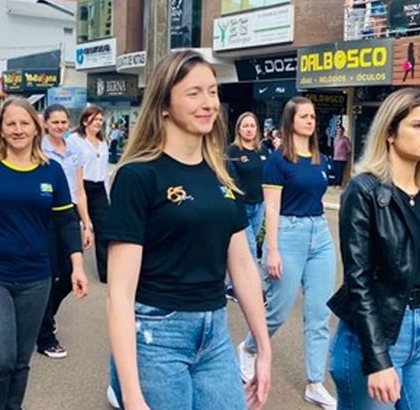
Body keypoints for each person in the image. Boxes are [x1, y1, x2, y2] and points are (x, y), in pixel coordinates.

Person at [103, 51, 270, 410]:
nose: (208, 103)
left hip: (214, 333)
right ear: (164, 105)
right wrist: (132, 395)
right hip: (157, 333)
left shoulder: (221, 173)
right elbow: (119, 293)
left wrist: (263, 348)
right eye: (194, 93)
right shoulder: (138, 176)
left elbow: (242, 266)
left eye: (212, 91)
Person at [0, 98, 88, 408]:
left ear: (36, 128)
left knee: (21, 361)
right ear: (0, 129)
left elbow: (66, 222)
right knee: (0, 359)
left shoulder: (51, 171)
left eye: (24, 123)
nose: (18, 129)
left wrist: (77, 266)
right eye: (10, 123)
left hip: (35, 276)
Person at [328, 88, 420, 410]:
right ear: (390, 133)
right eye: (419, 125)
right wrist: (377, 359)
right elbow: (358, 280)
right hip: (375, 332)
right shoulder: (364, 191)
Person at [239, 96, 338, 410]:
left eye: (313, 116)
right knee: (279, 310)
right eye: (304, 116)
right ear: (290, 120)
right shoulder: (278, 160)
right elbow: (271, 208)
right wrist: (272, 251)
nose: (310, 121)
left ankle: (315, 383)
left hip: (320, 234)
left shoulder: (320, 159)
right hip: (288, 233)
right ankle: (249, 347)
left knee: (319, 313)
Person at [37, 104, 94, 359]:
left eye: (63, 122)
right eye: (55, 122)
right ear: (46, 124)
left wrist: (87, 224)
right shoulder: (39, 150)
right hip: (45, 214)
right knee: (49, 274)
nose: (60, 126)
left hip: (69, 214)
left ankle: (45, 315)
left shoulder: (74, 150)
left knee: (71, 272)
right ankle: (45, 338)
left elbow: (80, 190)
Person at [69, 104, 111, 283]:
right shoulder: (75, 140)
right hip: (80, 186)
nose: (98, 123)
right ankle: (69, 268)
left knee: (105, 230)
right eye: (95, 119)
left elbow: (104, 169)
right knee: (72, 228)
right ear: (85, 121)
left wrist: (107, 193)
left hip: (99, 187)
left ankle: (106, 273)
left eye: (101, 120)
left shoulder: (103, 142)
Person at [225, 112, 269, 269]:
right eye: (245, 126)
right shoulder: (232, 151)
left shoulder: (262, 150)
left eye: (252, 126)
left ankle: (233, 279)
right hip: (241, 206)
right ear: (239, 129)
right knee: (250, 247)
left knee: (245, 247)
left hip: (259, 205)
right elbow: (228, 179)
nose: (249, 129)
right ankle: (254, 281)